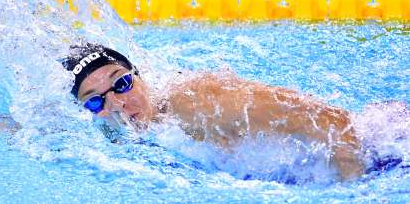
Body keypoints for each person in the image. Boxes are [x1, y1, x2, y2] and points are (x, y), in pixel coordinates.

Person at [62, 43, 365, 181]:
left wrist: (355, 187)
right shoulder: (110, 132)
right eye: (95, 101)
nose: (117, 104)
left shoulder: (195, 104)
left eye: (122, 83)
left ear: (139, 75)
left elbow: (332, 120)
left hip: (379, 156)